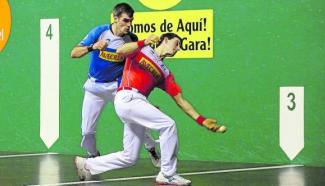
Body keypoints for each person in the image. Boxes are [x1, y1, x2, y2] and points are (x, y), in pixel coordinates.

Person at [74, 33, 227, 185]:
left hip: (136, 103)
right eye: (176, 44)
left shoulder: (165, 73)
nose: (178, 49)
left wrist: (201, 120)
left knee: (130, 156)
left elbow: (181, 101)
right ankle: (167, 174)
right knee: (168, 125)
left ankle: (87, 165)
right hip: (127, 97)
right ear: (165, 40)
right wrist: (144, 41)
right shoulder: (142, 50)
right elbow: (121, 51)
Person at [70, 3, 160, 166]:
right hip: (94, 88)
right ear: (115, 17)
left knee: (135, 120)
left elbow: (139, 63)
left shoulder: (131, 39)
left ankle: (152, 149)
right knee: (87, 131)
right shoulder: (99, 32)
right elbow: (74, 53)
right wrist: (93, 47)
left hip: (117, 88)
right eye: (125, 20)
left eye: (131, 21)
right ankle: (93, 156)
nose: (129, 24)